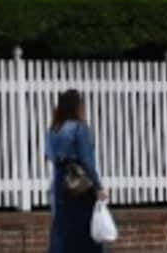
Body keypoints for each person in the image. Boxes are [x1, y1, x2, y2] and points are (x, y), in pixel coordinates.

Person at [46, 88, 107, 253]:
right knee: (86, 228)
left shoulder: (53, 129)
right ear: (77, 107)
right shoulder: (80, 128)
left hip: (60, 182)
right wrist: (98, 186)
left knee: (62, 228)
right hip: (79, 185)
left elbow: (49, 155)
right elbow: (87, 160)